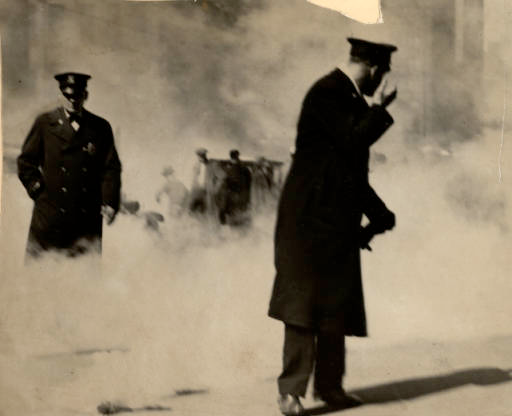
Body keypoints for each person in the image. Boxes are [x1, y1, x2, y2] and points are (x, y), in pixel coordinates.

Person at [268, 38, 398, 415]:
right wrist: (379, 109)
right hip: (307, 223)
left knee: (335, 307)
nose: (383, 80)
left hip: (335, 221)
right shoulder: (327, 92)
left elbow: (348, 173)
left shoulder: (349, 99)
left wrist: (380, 213)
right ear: (373, 68)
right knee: (302, 306)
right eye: (383, 72)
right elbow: (351, 142)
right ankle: (290, 392)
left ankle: (330, 388)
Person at [17, 72, 121, 259]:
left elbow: (111, 168)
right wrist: (37, 190)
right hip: (49, 216)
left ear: (86, 96)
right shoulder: (44, 123)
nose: (72, 101)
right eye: (68, 96)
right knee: (41, 277)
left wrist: (110, 201)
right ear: (60, 96)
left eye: (77, 96)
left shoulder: (100, 127)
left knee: (81, 278)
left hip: (85, 218)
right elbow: (26, 161)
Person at [218, 149, 252, 225]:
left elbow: (224, 181)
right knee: (239, 211)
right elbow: (249, 181)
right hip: (241, 193)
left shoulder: (228, 169)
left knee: (224, 208)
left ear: (231, 157)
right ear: (238, 156)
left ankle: (225, 223)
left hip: (231, 193)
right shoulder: (244, 168)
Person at [188, 148, 209, 214]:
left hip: (207, 189)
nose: (201, 158)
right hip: (197, 189)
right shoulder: (196, 165)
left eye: (203, 156)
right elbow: (194, 177)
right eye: (199, 156)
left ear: (205, 156)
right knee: (192, 205)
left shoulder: (210, 165)